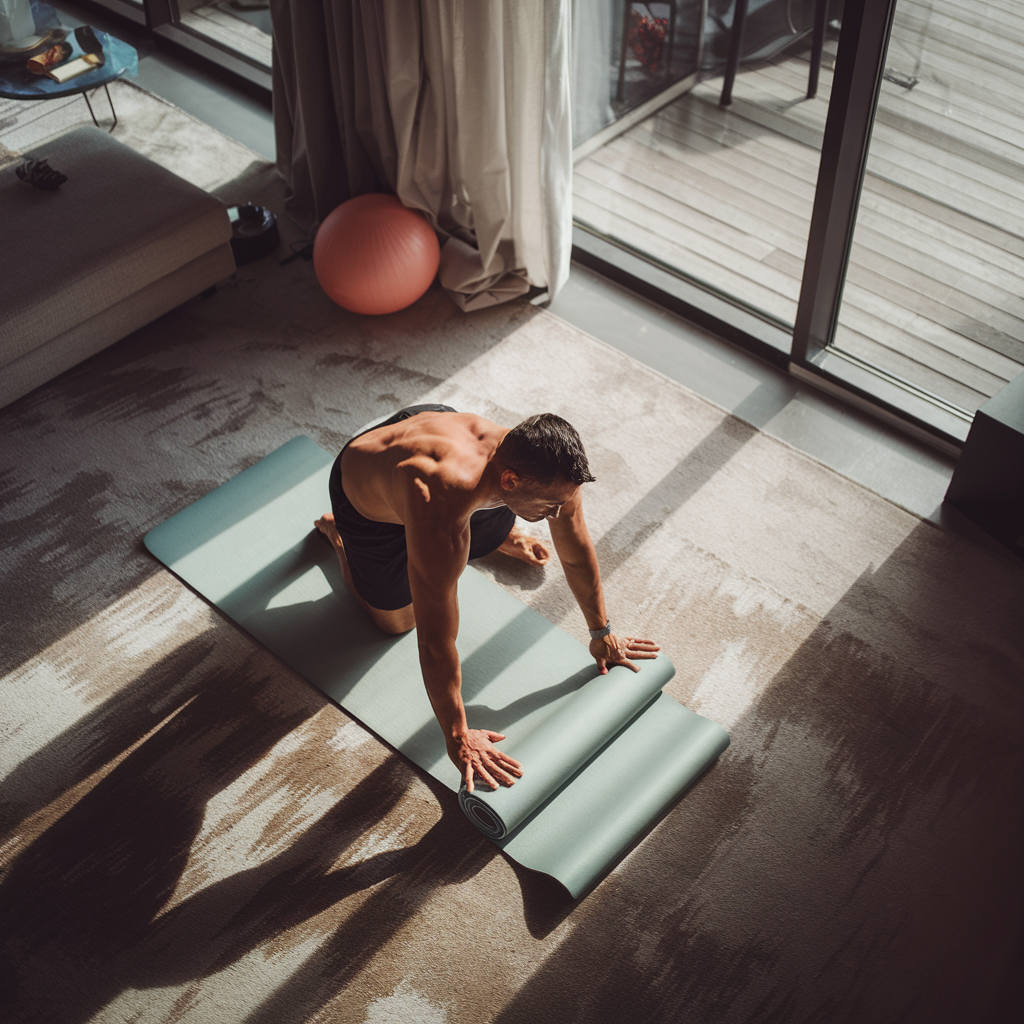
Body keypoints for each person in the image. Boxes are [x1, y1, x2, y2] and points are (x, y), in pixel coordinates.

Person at [315, 405, 660, 792]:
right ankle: (340, 539)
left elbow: (576, 550)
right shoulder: (437, 500)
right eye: (551, 506)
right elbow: (435, 639)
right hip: (369, 493)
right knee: (395, 621)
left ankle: (494, 537)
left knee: (497, 517)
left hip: (446, 447)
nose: (559, 512)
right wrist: (458, 736)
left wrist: (602, 631)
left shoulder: (543, 468)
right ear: (510, 480)